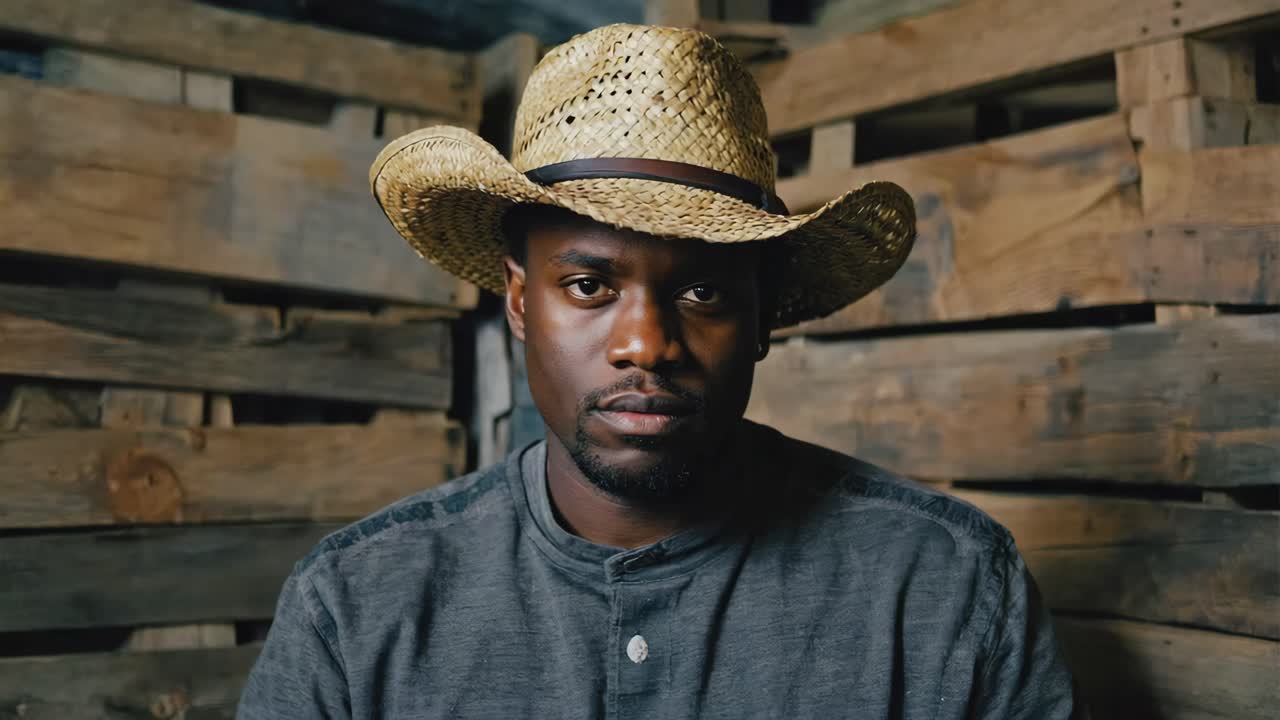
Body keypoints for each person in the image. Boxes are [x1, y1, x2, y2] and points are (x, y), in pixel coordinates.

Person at [238, 23, 1080, 718]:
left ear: (762, 319)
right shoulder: (356, 608)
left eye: (705, 289)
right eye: (590, 285)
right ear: (521, 300)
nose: (646, 344)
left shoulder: (945, 591)